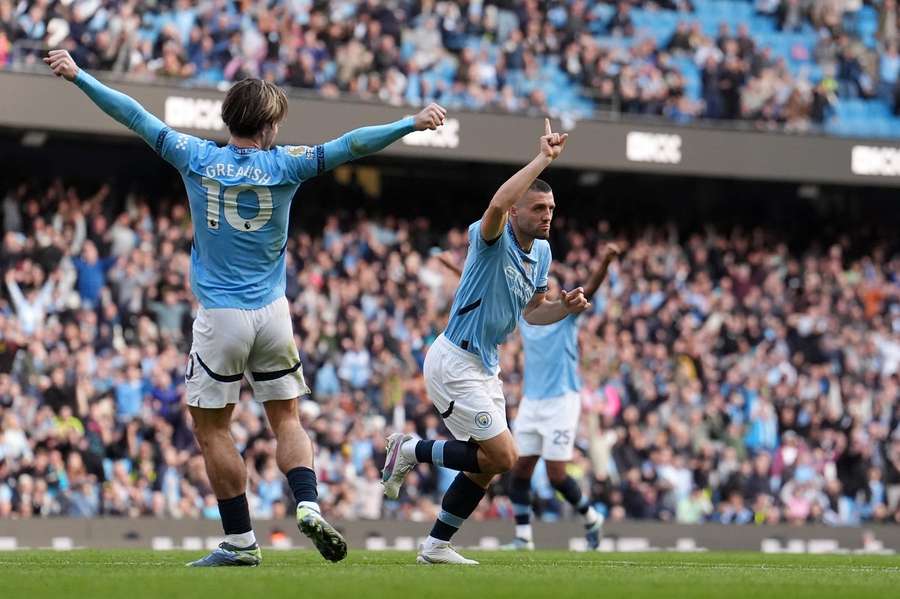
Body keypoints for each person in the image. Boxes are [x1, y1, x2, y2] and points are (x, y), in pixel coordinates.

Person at [44, 49, 447, 567]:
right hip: (273, 314)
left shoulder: (193, 155)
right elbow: (353, 144)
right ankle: (306, 502)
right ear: (269, 124)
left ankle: (239, 541)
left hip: (221, 317)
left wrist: (80, 76)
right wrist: (409, 124)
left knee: (212, 428)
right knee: (287, 419)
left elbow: (132, 114)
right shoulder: (287, 164)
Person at [380, 119, 590, 565]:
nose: (547, 215)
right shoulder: (491, 237)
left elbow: (535, 312)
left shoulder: (544, 253)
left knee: (486, 465)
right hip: (454, 359)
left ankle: (436, 545)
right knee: (503, 455)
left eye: (551, 208)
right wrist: (542, 160)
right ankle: (410, 449)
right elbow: (497, 202)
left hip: (485, 366)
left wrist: (565, 309)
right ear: (517, 211)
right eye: (538, 208)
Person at [505, 243, 620, 550]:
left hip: (562, 402)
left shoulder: (565, 315)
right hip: (531, 402)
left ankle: (590, 517)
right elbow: (489, 286)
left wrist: (606, 259)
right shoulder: (525, 318)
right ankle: (523, 537)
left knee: (556, 475)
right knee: (520, 469)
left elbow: (591, 288)